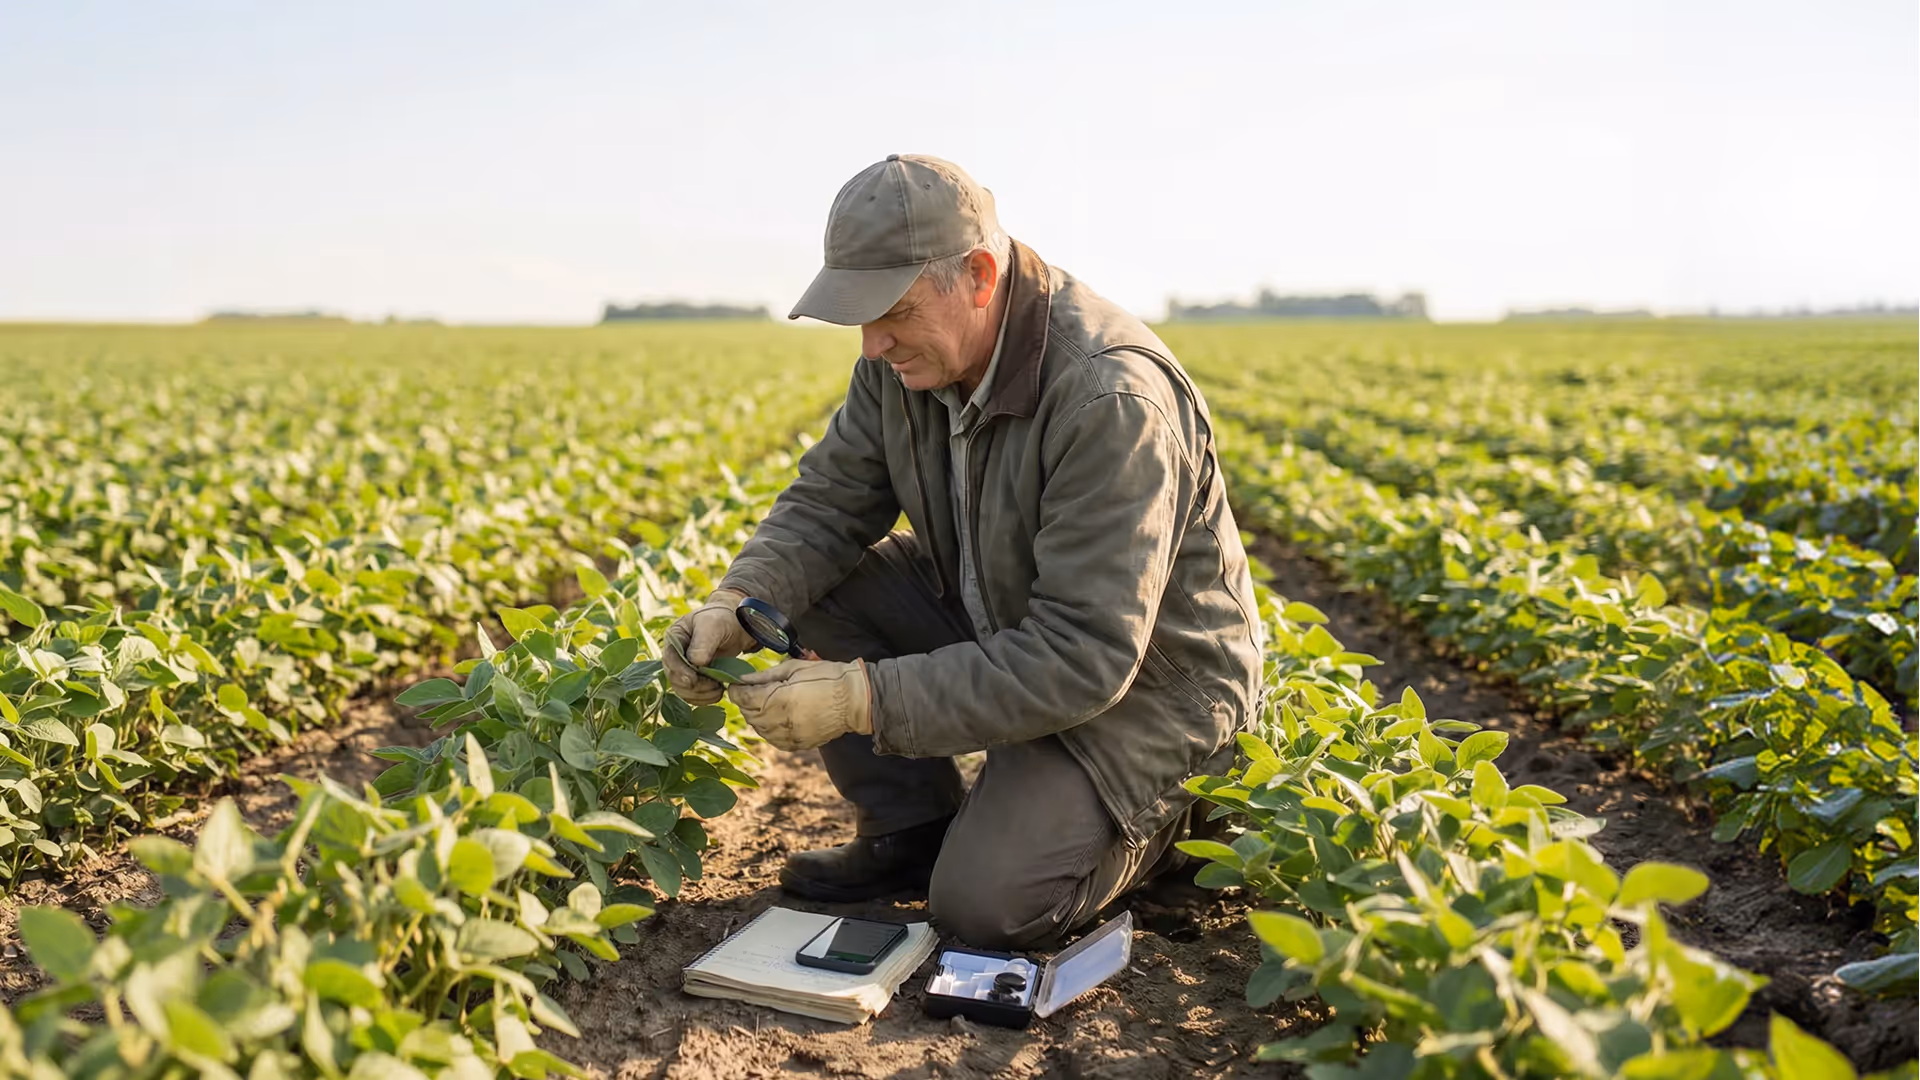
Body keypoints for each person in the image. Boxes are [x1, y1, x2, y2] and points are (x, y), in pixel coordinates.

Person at [661, 154, 1261, 950]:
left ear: (979, 275)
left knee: (987, 908)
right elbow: (829, 502)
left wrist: (859, 699)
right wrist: (736, 604)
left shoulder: (1109, 397)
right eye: (861, 317)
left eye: (895, 312)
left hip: (1150, 694)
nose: (874, 345)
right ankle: (913, 829)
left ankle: (1176, 819)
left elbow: (1085, 653)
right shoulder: (900, 366)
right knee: (813, 588)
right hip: (1012, 623)